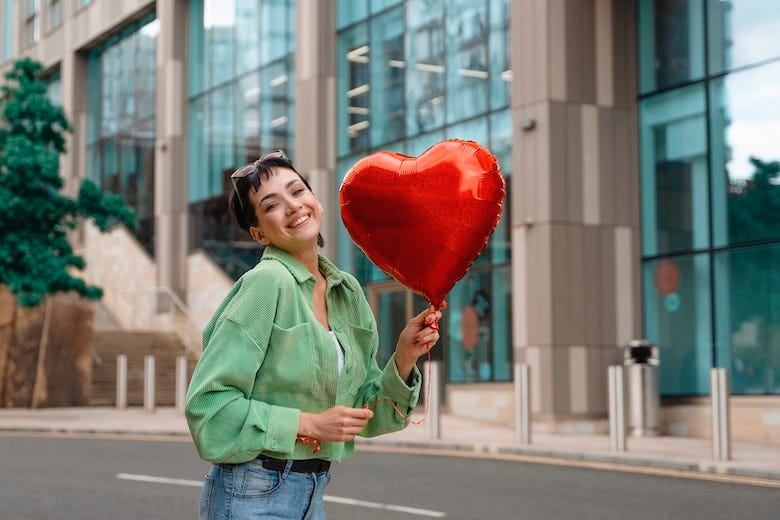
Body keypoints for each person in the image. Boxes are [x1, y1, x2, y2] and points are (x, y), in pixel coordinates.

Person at [185, 150, 442, 520]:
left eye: (297, 191)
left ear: (314, 198)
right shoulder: (265, 285)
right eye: (272, 204)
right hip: (251, 494)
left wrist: (403, 357)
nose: (293, 206)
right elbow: (209, 409)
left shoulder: (347, 291)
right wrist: (309, 423)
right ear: (258, 233)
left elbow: (368, 415)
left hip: (311, 494)